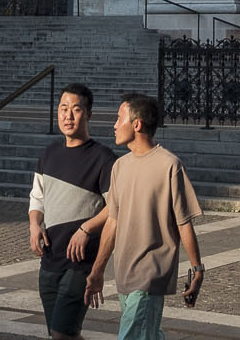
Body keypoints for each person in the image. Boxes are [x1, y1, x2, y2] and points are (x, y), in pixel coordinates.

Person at [83, 94, 205, 340]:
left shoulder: (170, 165)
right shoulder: (120, 167)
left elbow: (184, 222)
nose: (114, 125)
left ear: (136, 124)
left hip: (150, 274)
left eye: (119, 119)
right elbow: (113, 222)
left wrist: (197, 269)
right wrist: (97, 271)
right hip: (125, 273)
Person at [29, 84, 115, 340]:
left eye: (76, 110)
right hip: (50, 259)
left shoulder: (104, 159)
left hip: (81, 263)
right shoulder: (49, 154)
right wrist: (35, 224)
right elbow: (37, 198)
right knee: (61, 334)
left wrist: (86, 229)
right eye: (63, 109)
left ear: (88, 114)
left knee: (61, 333)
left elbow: (116, 207)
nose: (68, 116)